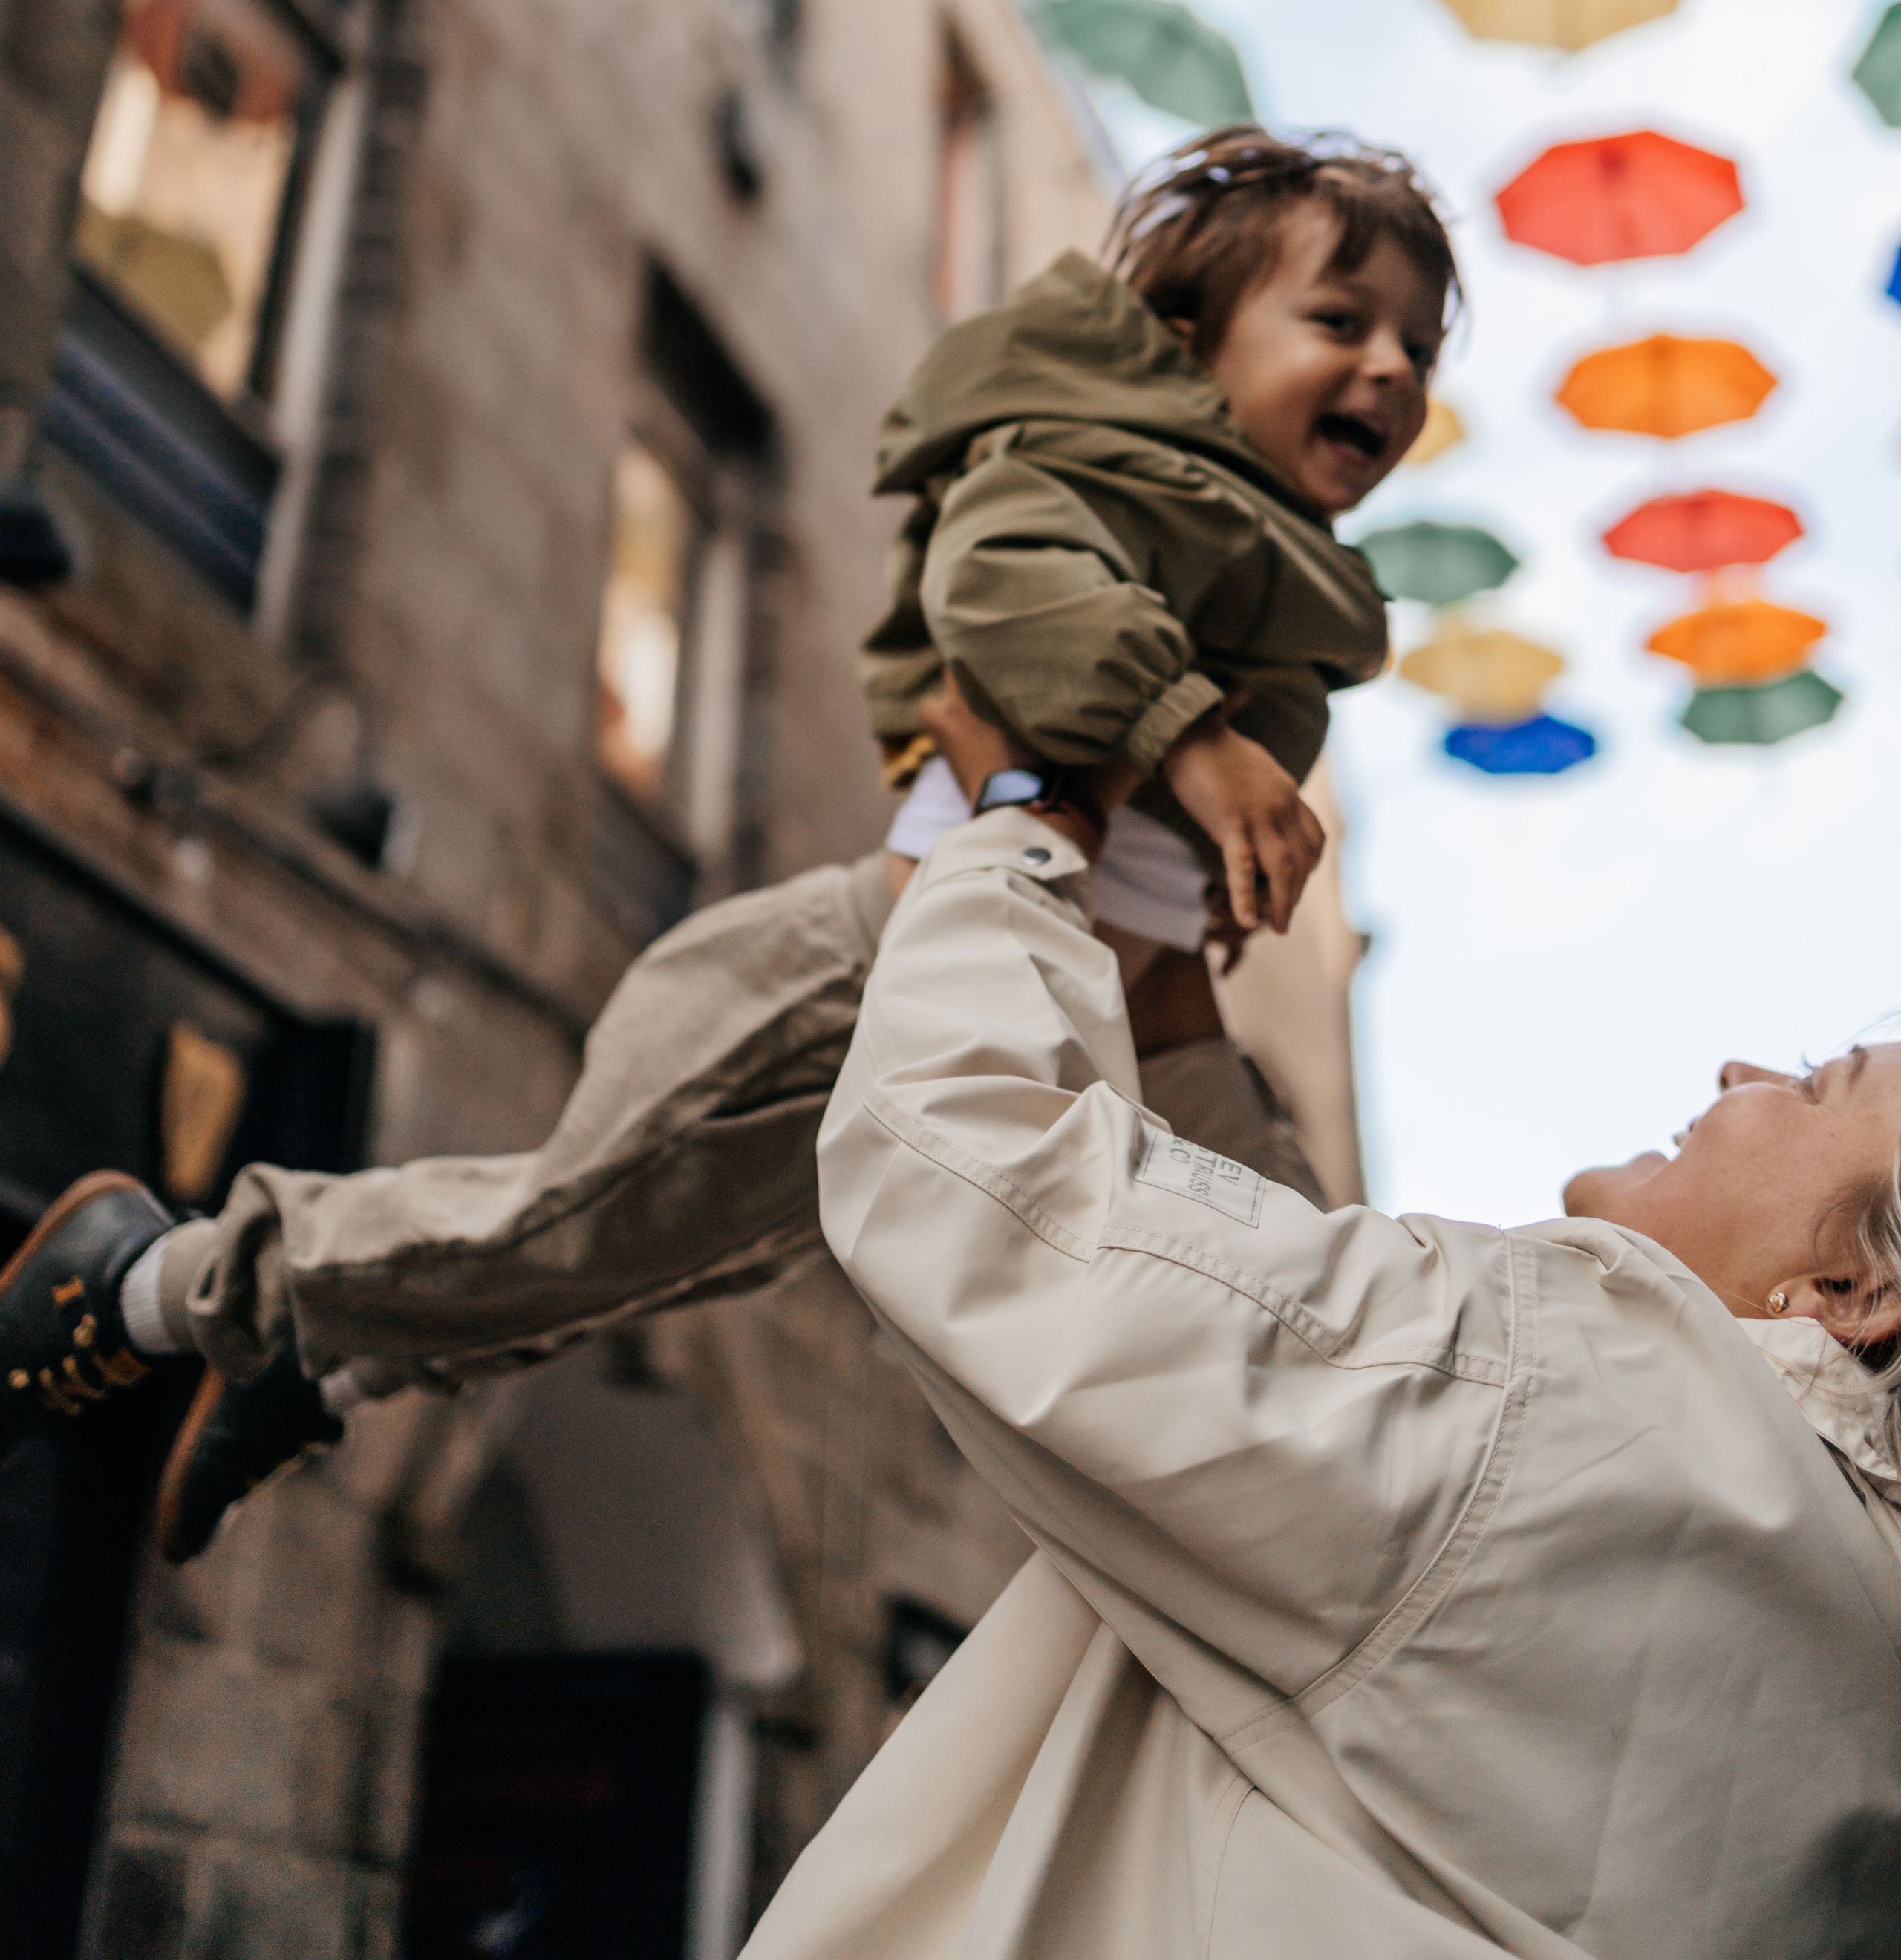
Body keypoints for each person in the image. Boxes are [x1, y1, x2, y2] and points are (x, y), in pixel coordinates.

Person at [0, 128, 1455, 1562]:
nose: (1389, 369)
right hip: (858, 974)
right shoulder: (1100, 470)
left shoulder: (1284, 600)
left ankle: (323, 1367)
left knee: (653, 1257)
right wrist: (1189, 742)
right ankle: (153, 1285)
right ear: (1193, 343)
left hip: (1078, 1033)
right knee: (582, 1225)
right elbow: (1004, 587)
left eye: (1416, 348)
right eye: (1339, 321)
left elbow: (1150, 916)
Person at [747, 689, 1901, 1960]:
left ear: (1853, 1295)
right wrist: (1178, 1013)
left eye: (1811, 1083)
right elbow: (1361, 1498)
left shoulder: (1600, 1397)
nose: (1743, 1074)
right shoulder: (1835, 1617)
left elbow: (971, 1182)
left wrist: (1023, 823)